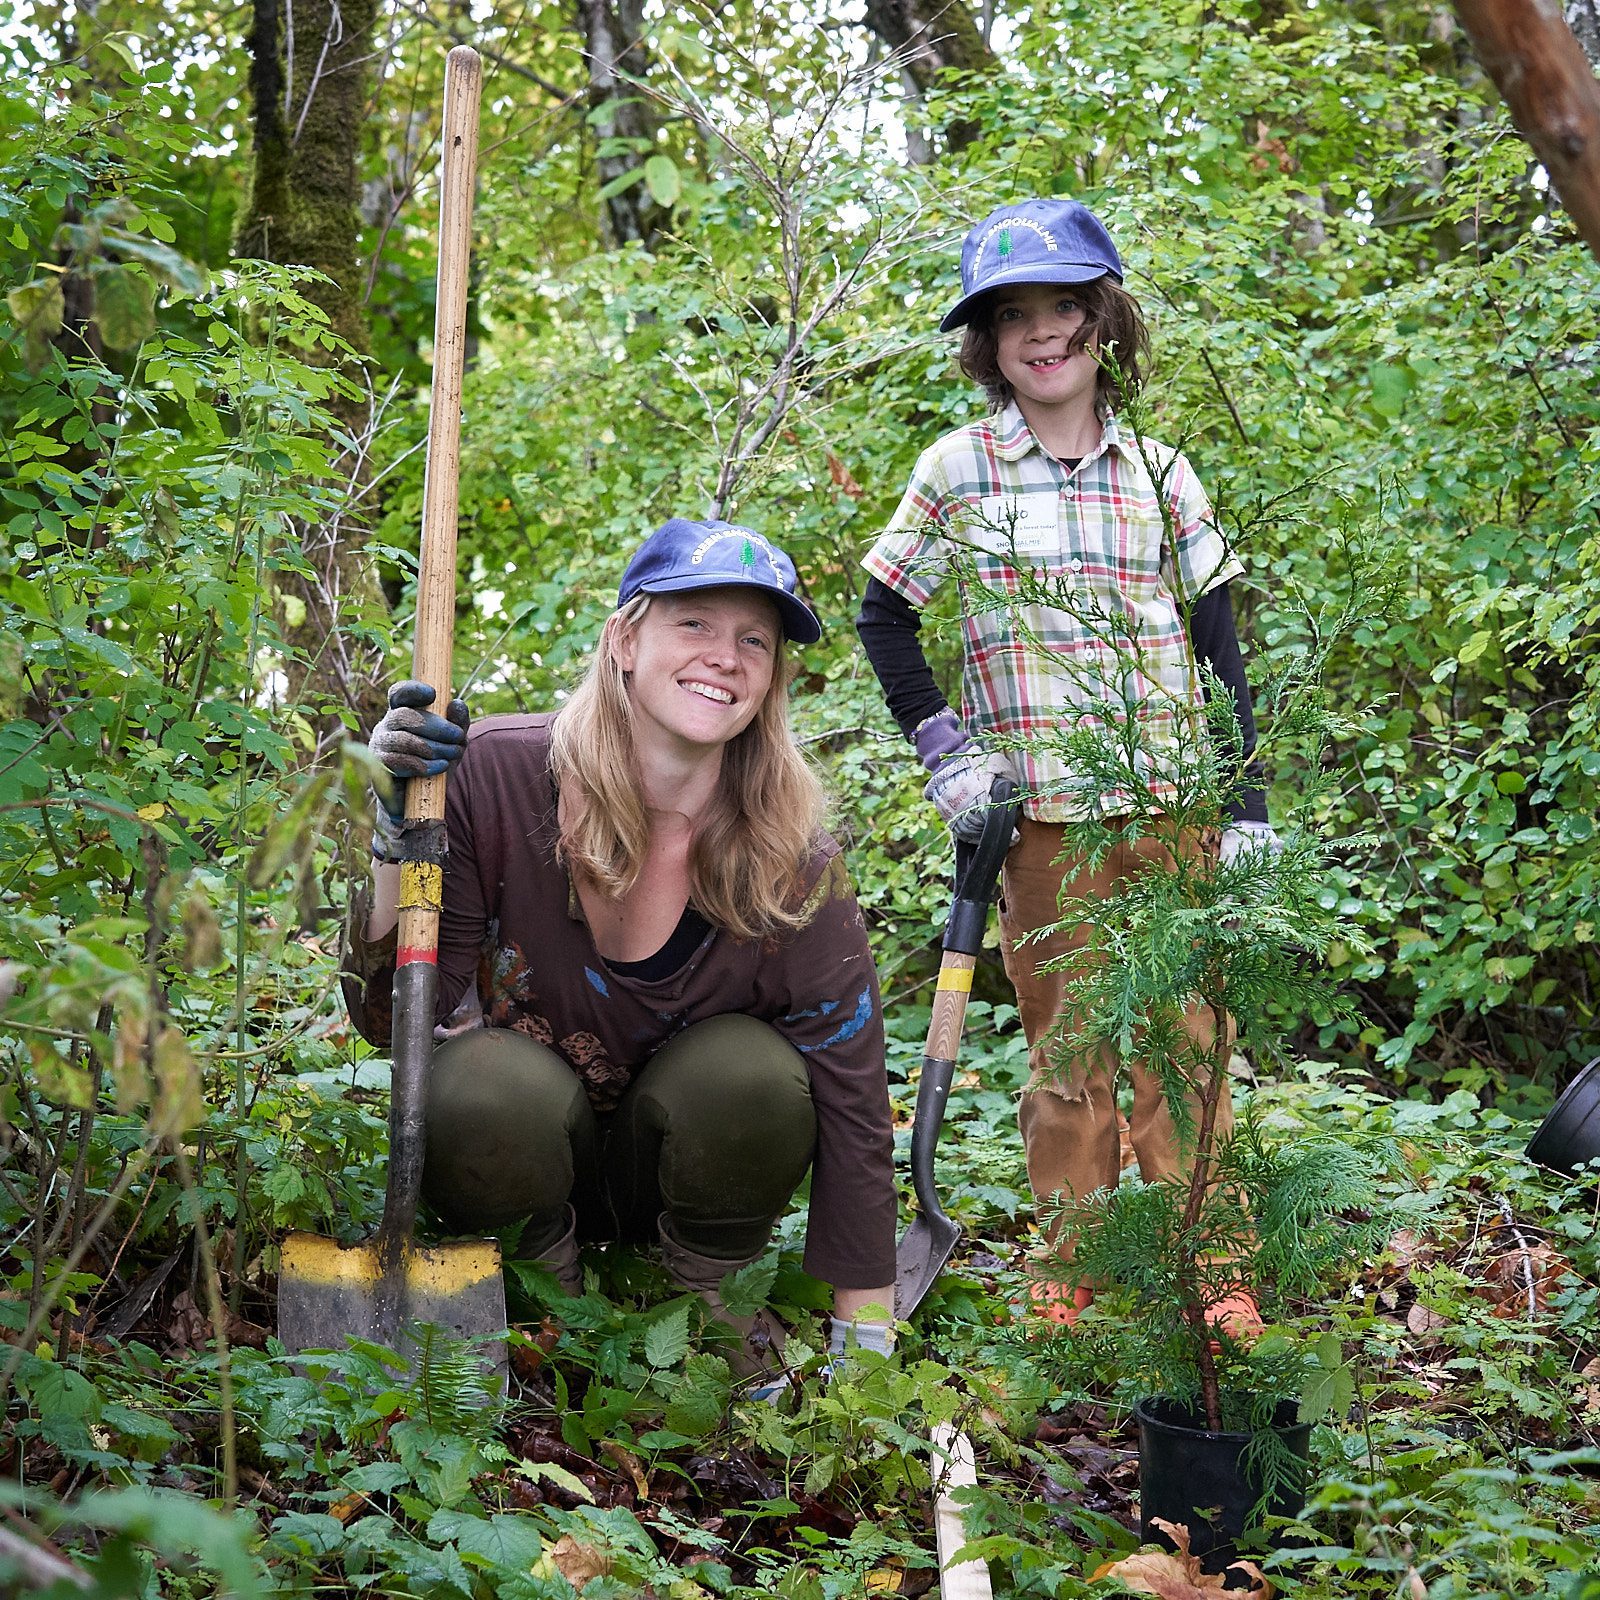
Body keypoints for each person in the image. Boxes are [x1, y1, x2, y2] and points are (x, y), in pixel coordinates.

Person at [856, 198, 1275, 1328]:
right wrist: (945, 749)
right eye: (1014, 318)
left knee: (1186, 1040)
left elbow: (1219, 639)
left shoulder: (1159, 470)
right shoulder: (958, 470)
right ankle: (1072, 1267)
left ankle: (1209, 1262)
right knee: (1071, 1047)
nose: (1043, 335)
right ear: (987, 346)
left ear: (1105, 324)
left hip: (1174, 805)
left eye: (1064, 311)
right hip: (1043, 819)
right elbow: (882, 616)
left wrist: (1246, 804)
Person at [347, 517, 897, 1378]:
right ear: (624, 639)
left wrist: (867, 1347)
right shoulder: (496, 774)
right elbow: (390, 1022)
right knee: (476, 1082)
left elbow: (855, 1096)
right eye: (695, 624)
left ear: (773, 677)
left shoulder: (793, 856)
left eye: (755, 639)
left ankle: (701, 1304)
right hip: (520, 1159)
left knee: (753, 1073)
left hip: (682, 1175)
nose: (726, 655)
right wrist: (395, 834)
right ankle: (549, 1313)